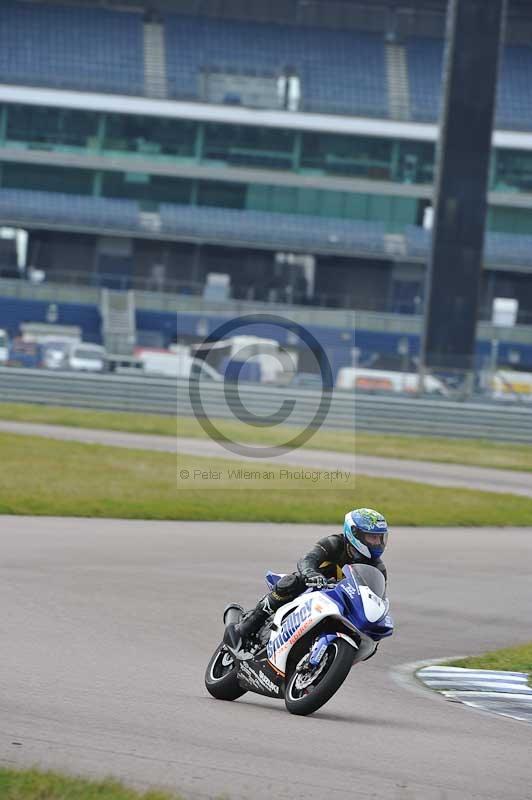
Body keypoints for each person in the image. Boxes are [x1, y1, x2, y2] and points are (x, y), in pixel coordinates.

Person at [224, 507, 389, 652]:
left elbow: (375, 598)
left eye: (379, 538)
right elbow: (308, 558)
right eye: (371, 537)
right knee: (290, 583)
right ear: (354, 533)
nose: (377, 543)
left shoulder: (378, 568)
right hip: (314, 585)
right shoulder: (335, 543)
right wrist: (311, 573)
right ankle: (245, 628)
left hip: (341, 601)